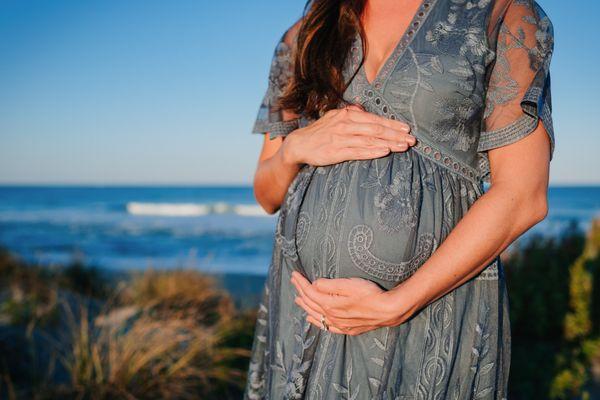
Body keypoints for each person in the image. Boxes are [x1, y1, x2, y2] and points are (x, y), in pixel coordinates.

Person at [245, 0, 555, 398]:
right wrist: (294, 149)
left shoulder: (501, 13)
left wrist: (399, 303)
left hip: (431, 309)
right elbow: (266, 193)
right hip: (305, 313)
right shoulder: (304, 35)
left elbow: (523, 195)